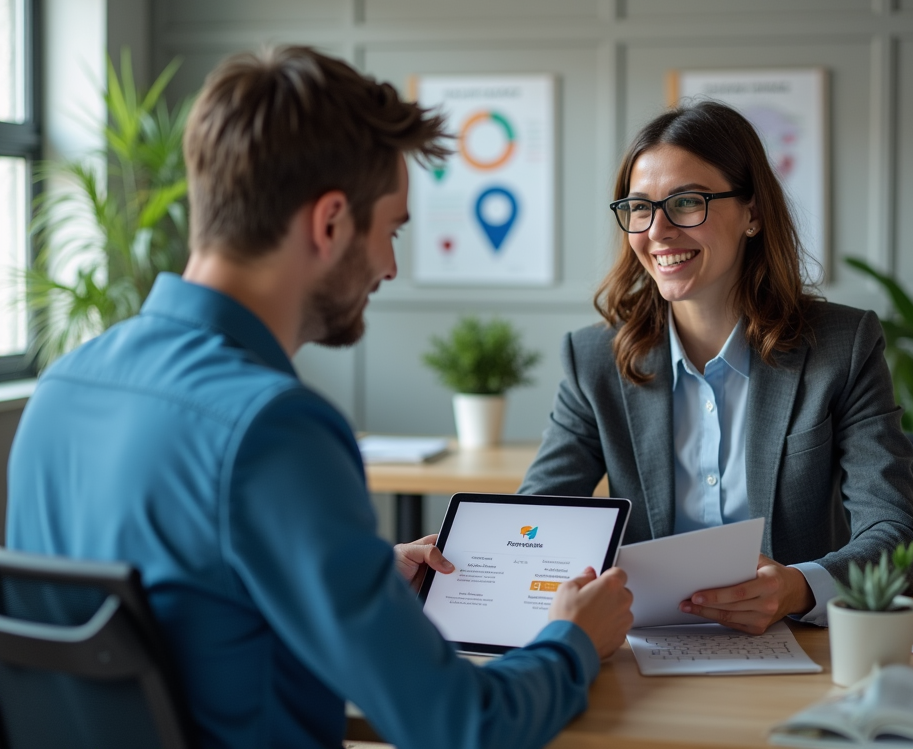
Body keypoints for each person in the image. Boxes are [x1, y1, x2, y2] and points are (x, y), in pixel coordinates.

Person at [6, 46, 633, 749]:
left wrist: (357, 578)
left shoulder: (64, 386)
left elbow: (184, 614)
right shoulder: (272, 428)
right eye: (391, 230)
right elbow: (464, 724)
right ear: (330, 221)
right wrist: (572, 639)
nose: (391, 266)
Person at [518, 101, 913, 635]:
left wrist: (797, 588)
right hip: (645, 648)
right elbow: (536, 519)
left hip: (799, 647)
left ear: (753, 214)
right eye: (639, 208)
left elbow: (900, 538)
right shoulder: (594, 359)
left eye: (687, 202)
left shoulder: (840, 348)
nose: (658, 231)